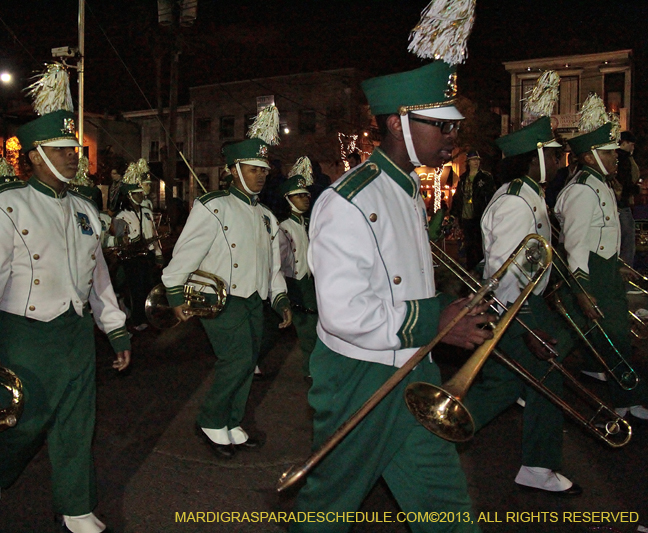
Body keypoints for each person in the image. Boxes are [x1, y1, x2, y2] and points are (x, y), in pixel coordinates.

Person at [291, 60, 492, 533]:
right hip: (359, 379)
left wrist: (449, 313)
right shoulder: (347, 200)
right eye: (439, 124)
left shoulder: (406, 191)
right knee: (326, 512)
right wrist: (437, 322)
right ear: (396, 123)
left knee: (447, 509)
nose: (451, 135)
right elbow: (344, 313)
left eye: (453, 126)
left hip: (411, 369)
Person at [0, 65, 131, 533]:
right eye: (61, 149)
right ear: (36, 156)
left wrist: (114, 327)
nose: (73, 156)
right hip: (24, 333)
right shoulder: (6, 203)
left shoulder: (84, 208)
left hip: (75, 332)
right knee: (25, 423)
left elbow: (96, 276)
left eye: (72, 148)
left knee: (78, 425)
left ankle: (76, 506)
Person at [162, 105, 293, 459]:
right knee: (236, 359)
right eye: (253, 169)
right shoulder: (212, 206)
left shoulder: (267, 216)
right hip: (218, 299)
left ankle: (231, 420)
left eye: (264, 170)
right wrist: (174, 294)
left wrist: (279, 299)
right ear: (233, 171)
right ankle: (210, 419)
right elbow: (184, 254)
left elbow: (273, 266)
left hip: (253, 299)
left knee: (248, 360)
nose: (260, 176)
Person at [463, 116, 582, 496]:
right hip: (518, 307)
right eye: (551, 152)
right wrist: (527, 326)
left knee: (504, 382)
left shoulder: (526, 193)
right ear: (534, 158)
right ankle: (538, 466)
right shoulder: (517, 201)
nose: (558, 157)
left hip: (520, 304)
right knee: (547, 377)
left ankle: (439, 432)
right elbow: (505, 270)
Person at [555, 97, 648, 422]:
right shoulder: (582, 189)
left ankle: (627, 398)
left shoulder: (601, 184)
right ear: (588, 156)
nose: (613, 157)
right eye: (607, 152)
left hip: (603, 268)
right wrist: (582, 287)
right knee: (595, 336)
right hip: (589, 272)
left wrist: (616, 263)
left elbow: (603, 232)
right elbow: (577, 244)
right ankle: (524, 380)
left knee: (615, 336)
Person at [278, 156, 318, 377]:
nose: (305, 199)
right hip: (294, 282)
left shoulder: (310, 223)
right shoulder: (284, 227)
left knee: (311, 327)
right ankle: (311, 370)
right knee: (307, 328)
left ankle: (312, 367)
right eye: (299, 196)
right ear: (289, 199)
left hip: (310, 281)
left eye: (306, 195)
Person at [114, 160, 163, 331]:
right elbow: (119, 239)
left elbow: (154, 235)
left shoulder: (147, 212)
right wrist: (126, 241)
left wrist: (158, 253)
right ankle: (137, 319)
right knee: (136, 290)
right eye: (137, 193)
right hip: (132, 257)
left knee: (149, 287)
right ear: (129, 195)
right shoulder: (122, 215)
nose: (142, 195)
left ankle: (147, 315)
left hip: (147, 254)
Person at [450, 150, 496, 270]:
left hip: (479, 215)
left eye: (477, 160)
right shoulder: (463, 178)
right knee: (469, 244)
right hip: (466, 215)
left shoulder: (485, 177)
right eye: (473, 160)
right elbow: (458, 197)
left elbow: (490, 195)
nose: (476, 162)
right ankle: (471, 269)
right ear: (468, 162)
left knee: (480, 243)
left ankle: (481, 268)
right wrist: (454, 214)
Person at [615, 131, 640, 266]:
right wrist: (636, 189)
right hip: (622, 204)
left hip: (621, 203)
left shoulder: (623, 158)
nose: (633, 148)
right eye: (631, 144)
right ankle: (626, 272)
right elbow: (624, 183)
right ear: (624, 143)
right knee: (627, 242)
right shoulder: (623, 160)